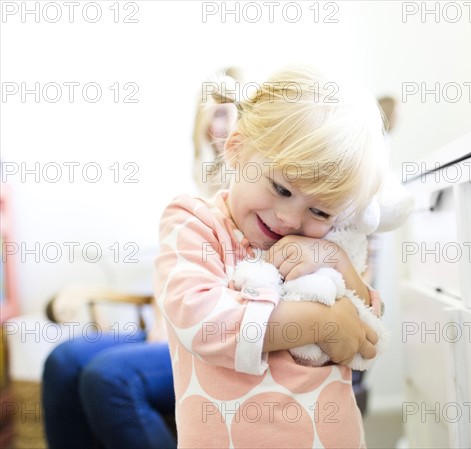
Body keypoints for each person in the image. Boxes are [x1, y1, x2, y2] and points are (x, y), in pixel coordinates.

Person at [153, 65, 387, 448]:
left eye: (320, 211)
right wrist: (319, 323)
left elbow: (369, 337)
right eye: (280, 188)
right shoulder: (194, 222)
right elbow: (200, 321)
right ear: (236, 148)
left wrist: (337, 262)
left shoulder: (330, 248)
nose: (291, 218)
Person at [41, 70, 240, 449]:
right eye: (213, 113)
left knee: (107, 377)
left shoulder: (259, 195)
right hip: (165, 327)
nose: (221, 125)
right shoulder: (199, 193)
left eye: (230, 112)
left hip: (204, 336)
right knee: (64, 361)